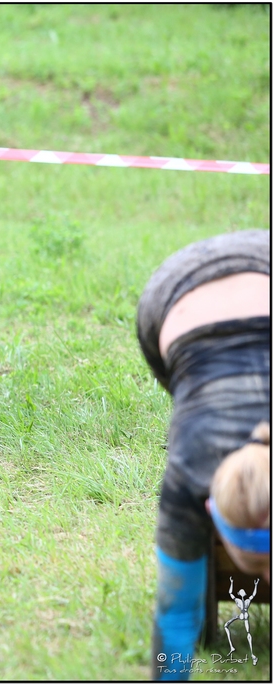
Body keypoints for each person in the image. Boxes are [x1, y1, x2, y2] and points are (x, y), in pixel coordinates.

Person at [135, 229, 270, 680]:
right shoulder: (189, 469)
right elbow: (174, 618)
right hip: (174, 293)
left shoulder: (193, 468)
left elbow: (176, 615)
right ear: (209, 510)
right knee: (193, 396)